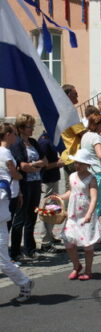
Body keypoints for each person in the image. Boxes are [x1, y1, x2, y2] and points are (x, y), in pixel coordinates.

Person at [57, 149, 101, 281]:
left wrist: (89, 214)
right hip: (73, 213)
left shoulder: (91, 178)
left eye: (81, 163)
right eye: (76, 163)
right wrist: (59, 197)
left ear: (87, 164)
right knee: (68, 242)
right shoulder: (72, 176)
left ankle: (88, 270)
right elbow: (71, 192)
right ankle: (76, 265)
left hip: (85, 214)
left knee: (87, 245)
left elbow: (94, 198)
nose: (78, 165)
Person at [0, 123, 33, 302]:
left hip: (0, 222)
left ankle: (24, 282)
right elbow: (15, 174)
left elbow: (12, 176)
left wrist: (18, 178)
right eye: (13, 133)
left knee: (3, 262)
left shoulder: (3, 185)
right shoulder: (4, 153)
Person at [10, 114, 48, 261]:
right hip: (23, 184)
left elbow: (44, 160)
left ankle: (30, 249)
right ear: (20, 128)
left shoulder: (33, 142)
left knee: (32, 217)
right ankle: (15, 252)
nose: (32, 129)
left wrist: (34, 166)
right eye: (29, 126)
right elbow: (23, 166)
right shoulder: (17, 144)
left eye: (32, 126)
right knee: (20, 218)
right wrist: (34, 166)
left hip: (36, 183)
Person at [38, 130, 64, 253]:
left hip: (53, 179)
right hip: (47, 180)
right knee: (47, 210)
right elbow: (44, 165)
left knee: (53, 209)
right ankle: (45, 241)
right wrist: (58, 163)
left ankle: (50, 235)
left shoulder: (50, 140)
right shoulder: (44, 142)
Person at [60, 84, 86, 191]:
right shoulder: (70, 111)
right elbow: (82, 133)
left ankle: (66, 208)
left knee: (70, 188)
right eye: (75, 94)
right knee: (77, 189)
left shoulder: (61, 110)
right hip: (75, 156)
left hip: (68, 155)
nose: (77, 97)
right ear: (69, 94)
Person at [0, 123, 23, 233]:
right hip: (9, 193)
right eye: (15, 134)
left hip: (9, 191)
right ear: (7, 135)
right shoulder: (6, 153)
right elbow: (14, 174)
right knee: (6, 226)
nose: (16, 136)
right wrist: (21, 175)